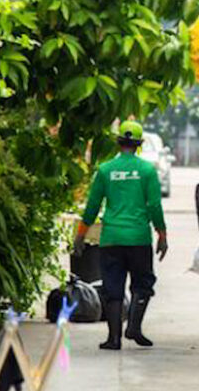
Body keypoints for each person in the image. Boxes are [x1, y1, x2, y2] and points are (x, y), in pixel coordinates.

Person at [74, 120, 169, 350]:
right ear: (139, 144)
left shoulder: (106, 170)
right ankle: (134, 327)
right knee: (143, 283)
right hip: (138, 238)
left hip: (112, 239)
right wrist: (162, 235)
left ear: (118, 142)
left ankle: (114, 339)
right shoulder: (147, 171)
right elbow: (155, 206)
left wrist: (80, 236)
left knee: (112, 287)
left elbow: (92, 206)